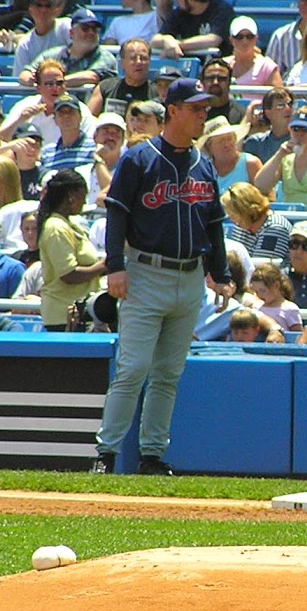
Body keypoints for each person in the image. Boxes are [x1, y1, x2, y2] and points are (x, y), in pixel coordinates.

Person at [90, 78, 227, 477]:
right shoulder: (140, 157)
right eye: (196, 108)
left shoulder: (204, 162)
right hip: (146, 273)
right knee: (132, 368)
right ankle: (107, 452)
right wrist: (115, 265)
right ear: (173, 110)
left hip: (190, 278)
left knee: (168, 373)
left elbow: (214, 224)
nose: (204, 114)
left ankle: (152, 455)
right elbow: (117, 212)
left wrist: (220, 273)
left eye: (205, 108)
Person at [36, 169, 105, 331]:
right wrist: (103, 266)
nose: (84, 201)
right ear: (71, 195)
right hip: (64, 317)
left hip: (80, 312)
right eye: (82, 195)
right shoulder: (56, 227)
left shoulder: (70, 223)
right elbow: (68, 274)